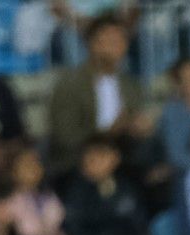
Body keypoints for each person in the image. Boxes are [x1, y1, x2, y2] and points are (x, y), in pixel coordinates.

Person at [44, 13, 148, 179]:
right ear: (92, 44)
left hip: (123, 160)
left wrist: (139, 127)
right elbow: (65, 137)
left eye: (120, 40)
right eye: (109, 41)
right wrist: (107, 133)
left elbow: (134, 121)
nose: (116, 46)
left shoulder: (131, 84)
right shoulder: (71, 84)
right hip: (78, 164)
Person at [62, 134, 142, 235]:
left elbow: (139, 226)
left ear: (115, 158)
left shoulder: (126, 187)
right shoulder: (73, 191)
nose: (95, 161)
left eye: (101, 155)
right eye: (91, 156)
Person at [154, 57, 190, 175]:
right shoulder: (171, 113)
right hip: (186, 172)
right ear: (178, 85)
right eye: (188, 79)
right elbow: (176, 156)